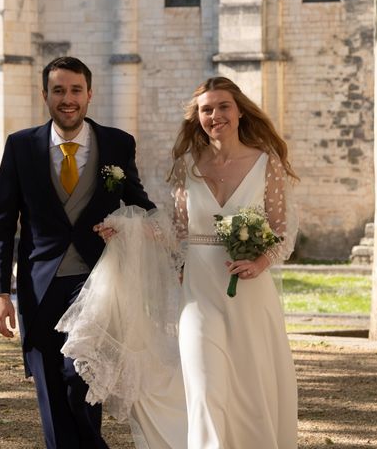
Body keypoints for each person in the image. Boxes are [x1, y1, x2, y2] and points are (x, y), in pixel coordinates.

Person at [68, 76, 299, 448]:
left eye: (223, 106)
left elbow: (282, 231)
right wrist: (127, 230)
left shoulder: (265, 163)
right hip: (199, 294)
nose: (215, 115)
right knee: (205, 388)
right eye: (206, 110)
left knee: (251, 391)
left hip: (251, 294)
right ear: (198, 119)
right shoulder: (187, 167)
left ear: (239, 111)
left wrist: (259, 262)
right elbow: (176, 232)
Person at [0, 56, 155, 449]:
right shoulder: (20, 146)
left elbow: (140, 206)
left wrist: (134, 225)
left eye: (75, 90)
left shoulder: (117, 143)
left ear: (89, 94)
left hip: (97, 285)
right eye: (58, 90)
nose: (67, 99)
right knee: (50, 391)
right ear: (44, 95)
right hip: (39, 288)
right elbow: (0, 224)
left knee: (80, 382)